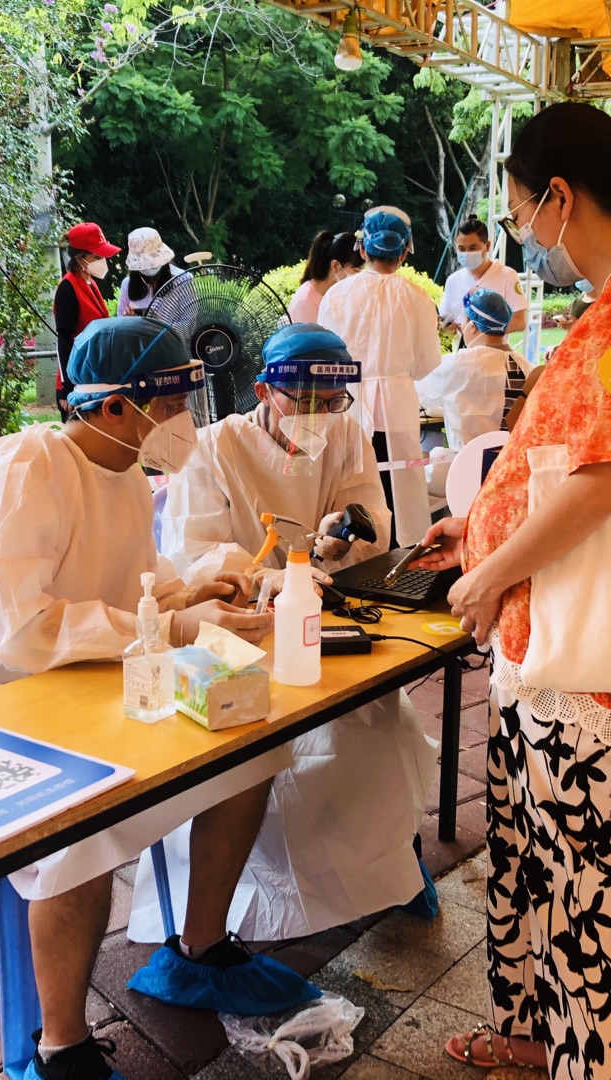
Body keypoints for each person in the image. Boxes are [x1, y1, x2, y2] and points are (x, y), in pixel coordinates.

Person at [0, 317, 317, 1080]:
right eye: (169, 405)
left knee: (250, 751)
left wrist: (197, 590)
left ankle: (199, 949)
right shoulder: (24, 470)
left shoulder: (126, 471)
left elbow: (135, 587)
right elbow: (26, 633)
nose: (182, 422)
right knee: (83, 820)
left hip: (90, 678)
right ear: (113, 406)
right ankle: (60, 1048)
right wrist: (175, 622)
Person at [414, 101, 611, 1078]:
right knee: (534, 855)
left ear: (558, 198)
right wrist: (479, 527)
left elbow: (606, 479)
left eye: (516, 214)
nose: (520, 235)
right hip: (543, 636)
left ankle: (593, 1061)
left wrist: (488, 573)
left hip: (568, 648)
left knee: (579, 881)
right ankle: (536, 1031)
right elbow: (564, 468)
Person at [128, 323, 439, 942]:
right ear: (265, 391)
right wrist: (261, 577)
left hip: (318, 611)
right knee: (266, 746)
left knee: (378, 725)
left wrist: (343, 536)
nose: (320, 416)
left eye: (333, 401)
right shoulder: (215, 448)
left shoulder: (344, 432)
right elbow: (196, 554)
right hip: (238, 626)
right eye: (305, 400)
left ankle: (387, 868)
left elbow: (367, 514)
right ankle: (258, 903)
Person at [319, 208, 443, 547]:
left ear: (362, 249)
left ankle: (351, 552)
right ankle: (403, 555)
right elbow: (428, 362)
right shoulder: (418, 298)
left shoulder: (337, 295)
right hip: (397, 403)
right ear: (404, 253)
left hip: (348, 403)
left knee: (351, 484)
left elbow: (326, 356)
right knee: (399, 489)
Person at [418, 289, 520, 450]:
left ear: (472, 326)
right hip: (512, 456)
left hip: (466, 459)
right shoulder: (526, 366)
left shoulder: (456, 364)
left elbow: (420, 393)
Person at [54, 222, 119, 421]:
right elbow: (63, 341)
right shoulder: (68, 288)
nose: (102, 261)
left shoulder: (90, 283)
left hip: (94, 377)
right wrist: (66, 390)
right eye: (96, 257)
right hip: (76, 384)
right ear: (79, 258)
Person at [439, 219, 529, 341]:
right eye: (461, 249)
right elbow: (444, 323)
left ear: (487, 246)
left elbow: (520, 322)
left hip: (495, 351)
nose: (467, 253)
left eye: (472, 248)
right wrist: (447, 328)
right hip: (462, 352)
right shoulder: (453, 280)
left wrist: (483, 332)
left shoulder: (507, 276)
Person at [289, 231, 362, 323]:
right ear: (336, 266)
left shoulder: (337, 293)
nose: (358, 276)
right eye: (355, 271)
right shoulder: (305, 302)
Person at [116, 227, 178, 317]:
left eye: (153, 256)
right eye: (144, 260)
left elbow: (190, 321)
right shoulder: (127, 284)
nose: (151, 263)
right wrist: (130, 320)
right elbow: (120, 319)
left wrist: (159, 321)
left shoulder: (182, 279)